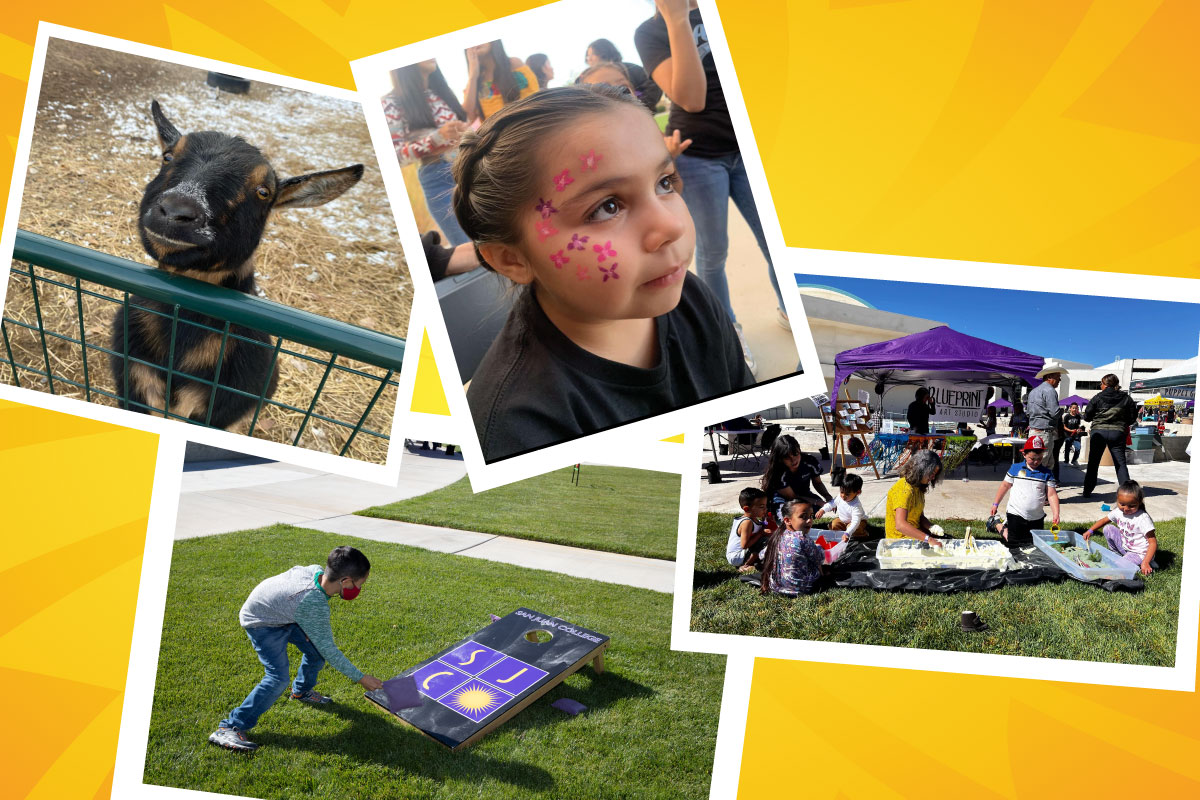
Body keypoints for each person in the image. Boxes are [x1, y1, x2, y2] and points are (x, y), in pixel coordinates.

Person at [453, 85, 752, 462]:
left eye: (664, 182)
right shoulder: (517, 428)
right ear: (512, 260)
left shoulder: (689, 297)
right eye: (607, 207)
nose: (670, 226)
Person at [636, 0, 788, 377]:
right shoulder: (652, 31)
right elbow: (691, 98)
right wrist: (677, 18)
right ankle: (728, 332)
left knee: (775, 241)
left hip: (747, 149)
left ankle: (790, 307)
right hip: (699, 154)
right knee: (714, 251)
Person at [208, 546, 384, 752]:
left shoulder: (317, 572)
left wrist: (304, 621)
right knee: (277, 678)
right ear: (345, 581)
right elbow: (330, 650)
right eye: (359, 584)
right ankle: (229, 726)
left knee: (315, 653)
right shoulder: (312, 603)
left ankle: (301, 691)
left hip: (285, 613)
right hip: (261, 621)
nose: (359, 589)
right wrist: (361, 678)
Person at [382, 60, 472, 252]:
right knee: (470, 250)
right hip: (440, 179)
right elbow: (395, 157)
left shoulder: (440, 93)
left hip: (471, 172)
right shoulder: (390, 102)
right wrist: (437, 138)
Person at [576, 61, 693, 158]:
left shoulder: (645, 126)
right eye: (605, 87)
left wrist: (669, 155)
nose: (619, 91)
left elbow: (676, 184)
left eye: (623, 86)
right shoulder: (593, 150)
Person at [988, 435, 1060, 548]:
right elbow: (1005, 486)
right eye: (1032, 458)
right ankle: (997, 524)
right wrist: (995, 504)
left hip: (1037, 517)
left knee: (1032, 545)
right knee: (1013, 543)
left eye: (1039, 458)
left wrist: (1056, 513)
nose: (1036, 462)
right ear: (1024, 454)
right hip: (1015, 513)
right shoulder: (1015, 468)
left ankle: (996, 524)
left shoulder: (1047, 473)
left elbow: (1051, 495)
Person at [1083, 480, 1158, 575]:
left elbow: (1153, 542)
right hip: (1126, 547)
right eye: (1122, 504)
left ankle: (1143, 562)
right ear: (1117, 500)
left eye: (1131, 506)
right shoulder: (1118, 511)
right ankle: (1119, 556)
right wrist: (1090, 530)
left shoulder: (1142, 518)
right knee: (1108, 528)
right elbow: (1103, 521)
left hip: (1139, 553)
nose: (1126, 509)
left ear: (1139, 502)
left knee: (1116, 568)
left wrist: (1146, 562)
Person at [1082, 373, 1137, 497]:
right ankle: (1128, 494)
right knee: (1120, 464)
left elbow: (1087, 416)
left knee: (1093, 463)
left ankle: (1087, 491)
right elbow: (1133, 417)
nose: (1100, 386)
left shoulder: (1097, 397)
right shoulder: (1126, 398)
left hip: (1098, 433)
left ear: (1106, 384)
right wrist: (1122, 424)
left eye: (1101, 384)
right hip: (1117, 433)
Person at [759, 499, 827, 596]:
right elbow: (819, 559)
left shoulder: (777, 536)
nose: (809, 520)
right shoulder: (802, 538)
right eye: (803, 517)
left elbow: (762, 555)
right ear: (787, 520)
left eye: (811, 516)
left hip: (776, 586)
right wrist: (820, 547)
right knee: (818, 564)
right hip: (801, 587)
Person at [761, 433, 832, 522]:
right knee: (786, 511)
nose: (793, 460)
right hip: (783, 498)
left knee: (816, 507)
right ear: (780, 458)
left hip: (804, 494)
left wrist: (828, 496)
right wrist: (817, 501)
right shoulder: (778, 472)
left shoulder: (809, 461)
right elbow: (793, 497)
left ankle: (803, 524)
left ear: (799, 449)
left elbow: (818, 483)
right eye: (787, 457)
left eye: (795, 454)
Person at [464, 40, 540, 123]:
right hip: (497, 134)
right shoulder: (474, 82)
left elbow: (534, 99)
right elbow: (467, 117)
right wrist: (473, 76)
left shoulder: (514, 64)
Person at [584, 37, 662, 112]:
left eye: (591, 55)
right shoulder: (585, 79)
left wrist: (640, 105)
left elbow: (654, 85)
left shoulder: (630, 68)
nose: (589, 59)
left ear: (603, 52)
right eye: (587, 56)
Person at [885, 449, 943, 546]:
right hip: (898, 542)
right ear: (922, 469)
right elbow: (900, 525)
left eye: (935, 475)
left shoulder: (918, 487)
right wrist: (928, 539)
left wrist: (932, 527)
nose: (933, 477)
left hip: (913, 537)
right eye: (931, 473)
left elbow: (919, 517)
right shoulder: (903, 490)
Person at [1026, 363, 1066, 475]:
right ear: (1050, 377)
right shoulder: (1050, 391)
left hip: (1033, 431)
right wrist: (1062, 411)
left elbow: (1028, 412)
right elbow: (1055, 412)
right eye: (1058, 377)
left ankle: (1042, 488)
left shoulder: (1033, 391)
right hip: (1044, 432)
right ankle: (1039, 489)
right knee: (1042, 464)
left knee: (1036, 461)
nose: (1060, 380)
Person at [726, 487, 770, 573]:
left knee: (767, 540)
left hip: (743, 554)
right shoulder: (747, 522)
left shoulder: (754, 518)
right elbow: (744, 545)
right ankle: (746, 565)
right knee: (765, 541)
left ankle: (757, 561)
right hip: (736, 556)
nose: (765, 509)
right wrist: (760, 534)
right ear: (747, 509)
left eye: (765, 506)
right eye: (761, 507)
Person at [815, 472, 867, 539]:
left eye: (847, 494)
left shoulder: (856, 506)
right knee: (834, 525)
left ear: (858, 492)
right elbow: (831, 504)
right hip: (843, 520)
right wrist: (822, 510)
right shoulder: (839, 497)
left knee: (855, 529)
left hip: (858, 521)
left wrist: (847, 533)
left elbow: (855, 522)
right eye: (841, 492)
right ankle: (843, 534)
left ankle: (863, 534)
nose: (843, 496)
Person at [1061, 402, 1085, 466]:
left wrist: (1079, 429)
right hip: (1068, 435)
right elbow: (1064, 426)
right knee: (1067, 449)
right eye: (1073, 408)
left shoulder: (1078, 416)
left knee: (1078, 448)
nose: (1074, 409)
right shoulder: (1067, 416)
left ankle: (1074, 461)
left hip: (1076, 435)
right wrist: (1071, 430)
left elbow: (1079, 425)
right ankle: (1066, 461)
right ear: (1070, 408)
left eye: (1076, 408)